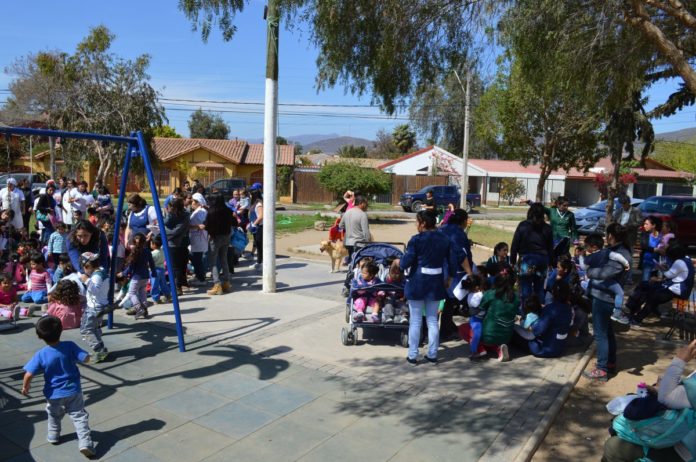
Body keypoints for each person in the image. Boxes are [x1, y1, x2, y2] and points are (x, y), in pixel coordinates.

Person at [601, 339, 696, 462]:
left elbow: (667, 397)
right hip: (680, 434)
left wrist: (680, 360)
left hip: (683, 449)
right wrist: (660, 389)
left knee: (614, 446)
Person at [21, 316, 95, 457]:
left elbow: (29, 374)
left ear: (39, 336)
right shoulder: (70, 346)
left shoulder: (41, 354)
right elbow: (85, 358)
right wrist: (90, 356)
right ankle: (85, 442)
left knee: (53, 414)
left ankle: (53, 435)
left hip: (53, 393)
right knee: (79, 416)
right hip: (73, 390)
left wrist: (25, 387)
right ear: (61, 330)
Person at [400, 210, 458, 364]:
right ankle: (432, 354)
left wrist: (400, 263)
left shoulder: (416, 240)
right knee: (432, 320)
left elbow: (406, 262)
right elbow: (453, 261)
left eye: (417, 221)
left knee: (416, 321)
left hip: (417, 283)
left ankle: (413, 355)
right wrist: (450, 277)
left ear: (423, 223)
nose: (416, 225)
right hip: (436, 282)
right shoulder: (445, 239)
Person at [583, 223, 633, 382]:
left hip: (605, 298)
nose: (605, 237)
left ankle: (602, 369)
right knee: (608, 332)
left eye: (607, 234)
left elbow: (605, 273)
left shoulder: (621, 253)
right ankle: (610, 363)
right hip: (604, 296)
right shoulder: (617, 250)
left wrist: (589, 272)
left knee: (600, 334)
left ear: (611, 235)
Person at [624, 240, 695, 326]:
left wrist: (660, 269)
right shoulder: (686, 258)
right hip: (679, 289)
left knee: (652, 297)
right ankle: (634, 310)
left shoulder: (679, 262)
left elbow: (668, 275)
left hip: (676, 291)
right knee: (646, 287)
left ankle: (636, 317)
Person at [459, 270, 519, 362]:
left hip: (489, 334)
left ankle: (479, 349)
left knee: (464, 328)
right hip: (507, 336)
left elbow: (477, 310)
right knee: (495, 334)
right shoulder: (516, 297)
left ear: (496, 282)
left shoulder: (490, 294)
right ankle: (499, 349)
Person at [577, 233, 631, 324]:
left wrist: (581, 256)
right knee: (620, 292)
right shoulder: (607, 252)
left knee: (591, 281)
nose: (585, 248)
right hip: (605, 281)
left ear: (594, 247)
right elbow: (618, 257)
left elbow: (583, 267)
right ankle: (617, 313)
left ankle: (586, 295)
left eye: (586, 246)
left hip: (594, 281)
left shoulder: (589, 257)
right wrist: (626, 264)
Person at [438, 208, 473, 339]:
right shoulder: (459, 234)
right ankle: (445, 331)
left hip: (438, 268)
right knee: (449, 300)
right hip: (451, 270)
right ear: (463, 221)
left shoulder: (442, 228)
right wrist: (470, 272)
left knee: (440, 300)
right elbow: (462, 255)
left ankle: (446, 326)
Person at [511, 203, 554, 305]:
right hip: (542, 261)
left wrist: (512, 261)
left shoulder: (523, 225)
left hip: (527, 260)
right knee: (539, 289)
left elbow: (515, 244)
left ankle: (525, 314)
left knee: (525, 289)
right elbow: (550, 248)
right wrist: (551, 263)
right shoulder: (548, 228)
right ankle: (538, 313)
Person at [527, 281, 573, 358]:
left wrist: (532, 326)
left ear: (553, 292)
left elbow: (538, 330)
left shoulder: (550, 309)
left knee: (518, 335)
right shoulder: (568, 308)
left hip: (545, 349)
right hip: (561, 347)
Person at [79, 252, 110, 363]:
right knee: (94, 328)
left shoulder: (96, 276)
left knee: (85, 330)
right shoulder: (102, 271)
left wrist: (86, 280)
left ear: (88, 266)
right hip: (99, 306)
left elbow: (95, 290)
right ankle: (101, 349)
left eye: (84, 268)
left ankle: (99, 350)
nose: (84, 270)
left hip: (94, 307)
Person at [118, 233, 155, 319]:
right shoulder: (147, 251)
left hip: (137, 277)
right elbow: (151, 262)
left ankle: (139, 309)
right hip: (145, 276)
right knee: (142, 293)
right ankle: (145, 308)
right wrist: (153, 272)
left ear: (134, 243)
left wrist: (123, 273)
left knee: (131, 293)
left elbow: (131, 267)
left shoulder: (135, 252)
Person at [205, 193, 236, 295]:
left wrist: (206, 228)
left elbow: (207, 225)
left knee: (213, 262)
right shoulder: (228, 210)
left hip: (215, 237)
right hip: (226, 237)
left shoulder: (212, 211)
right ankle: (226, 283)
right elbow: (234, 222)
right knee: (224, 259)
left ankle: (217, 284)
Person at [164, 198, 190, 296]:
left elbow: (176, 231)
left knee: (178, 266)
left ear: (176, 208)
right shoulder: (171, 214)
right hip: (173, 242)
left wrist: (163, 231)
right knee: (178, 265)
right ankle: (181, 283)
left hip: (179, 242)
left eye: (171, 208)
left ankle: (178, 286)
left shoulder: (185, 215)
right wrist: (169, 214)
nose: (169, 209)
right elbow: (165, 223)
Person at [188, 192, 208, 287]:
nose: (191, 203)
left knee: (197, 259)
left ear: (198, 202)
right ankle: (198, 275)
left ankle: (201, 278)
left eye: (193, 201)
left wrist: (190, 226)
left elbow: (202, 225)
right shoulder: (198, 210)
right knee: (195, 258)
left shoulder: (201, 212)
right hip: (196, 237)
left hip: (198, 238)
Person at [639, 215, 662, 282]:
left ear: (653, 225)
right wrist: (654, 250)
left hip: (658, 264)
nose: (644, 226)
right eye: (644, 224)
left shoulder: (660, 235)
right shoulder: (645, 234)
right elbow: (643, 246)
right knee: (645, 281)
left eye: (646, 224)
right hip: (647, 262)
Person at [149, 235, 170, 304]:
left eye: (151, 243)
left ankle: (156, 298)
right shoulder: (162, 251)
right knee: (163, 283)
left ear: (154, 245)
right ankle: (167, 295)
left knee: (154, 284)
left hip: (154, 270)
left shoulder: (152, 253)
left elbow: (149, 262)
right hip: (162, 269)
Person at [248, 187, 264, 270]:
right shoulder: (254, 203)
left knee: (260, 246)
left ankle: (260, 263)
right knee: (257, 245)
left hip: (259, 228)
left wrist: (254, 224)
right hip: (255, 227)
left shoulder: (259, 204)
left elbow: (261, 216)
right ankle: (259, 262)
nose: (249, 196)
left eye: (250, 194)